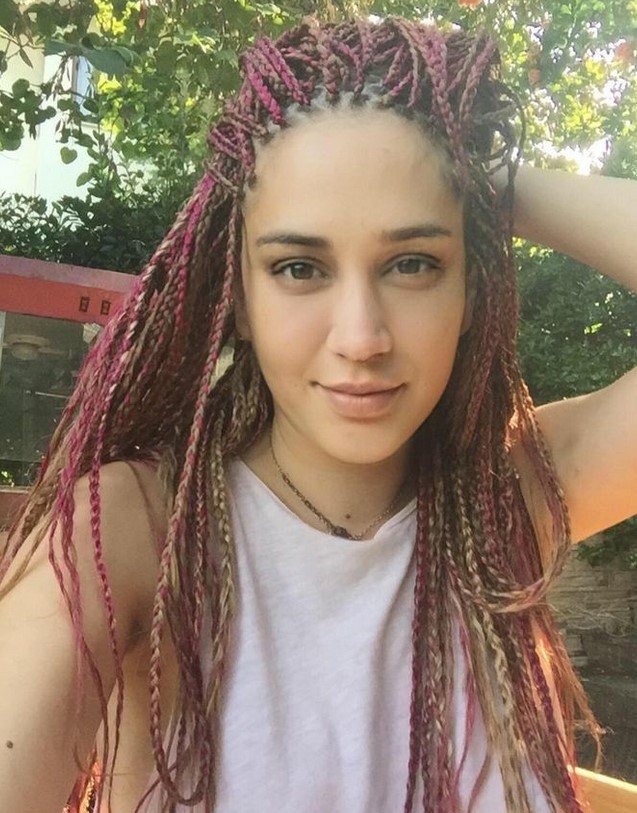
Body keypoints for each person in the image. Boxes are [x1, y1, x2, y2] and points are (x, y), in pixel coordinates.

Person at [0, 14, 635, 813]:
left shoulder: (511, 497)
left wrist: (483, 180)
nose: (361, 338)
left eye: (413, 262)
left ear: (471, 289)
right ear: (237, 298)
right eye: (299, 267)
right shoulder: (141, 530)